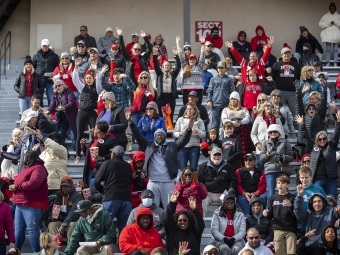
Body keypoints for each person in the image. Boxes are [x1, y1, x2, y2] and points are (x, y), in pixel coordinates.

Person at [9, 150, 49, 253]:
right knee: (18, 229)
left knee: (32, 229)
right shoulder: (27, 169)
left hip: (32, 203)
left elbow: (34, 183)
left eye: (25, 157)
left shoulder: (39, 168)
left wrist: (16, 187)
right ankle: (16, 252)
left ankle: (37, 253)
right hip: (20, 203)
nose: (23, 159)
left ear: (29, 158)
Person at [297, 112, 340, 199]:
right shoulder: (313, 147)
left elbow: (335, 135)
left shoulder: (331, 146)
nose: (322, 140)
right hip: (318, 178)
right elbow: (306, 136)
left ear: (327, 139)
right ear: (317, 140)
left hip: (330, 179)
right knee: (318, 199)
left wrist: (338, 122)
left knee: (332, 201)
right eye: (320, 139)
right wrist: (302, 124)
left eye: (324, 138)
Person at [94, 145, 131, 233]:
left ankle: (107, 246)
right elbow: (130, 181)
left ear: (113, 153)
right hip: (126, 199)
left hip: (111, 197)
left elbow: (97, 181)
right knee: (124, 229)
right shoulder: (128, 166)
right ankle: (122, 246)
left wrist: (103, 192)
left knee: (105, 226)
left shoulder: (107, 163)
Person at [72, 57, 102, 163]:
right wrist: (76, 67)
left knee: (94, 133)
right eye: (87, 78)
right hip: (82, 112)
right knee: (79, 133)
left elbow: (99, 82)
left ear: (93, 79)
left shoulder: (97, 88)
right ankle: (78, 155)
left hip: (92, 112)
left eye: (90, 78)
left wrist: (96, 71)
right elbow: (75, 79)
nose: (88, 79)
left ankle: (93, 155)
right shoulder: (82, 87)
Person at [263, 175, 297, 255]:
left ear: (288, 185)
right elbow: (270, 216)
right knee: (279, 253)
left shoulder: (292, 197)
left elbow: (296, 215)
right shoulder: (273, 198)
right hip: (278, 229)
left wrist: (291, 206)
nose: (280, 185)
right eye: (278, 183)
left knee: (291, 253)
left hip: (290, 230)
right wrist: (266, 214)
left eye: (283, 183)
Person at [198, 147, 237, 215]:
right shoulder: (203, 166)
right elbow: (199, 180)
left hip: (223, 194)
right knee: (200, 201)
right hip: (208, 194)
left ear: (222, 156)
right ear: (211, 155)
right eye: (215, 154)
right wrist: (203, 190)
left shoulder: (228, 166)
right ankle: (200, 222)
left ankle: (228, 223)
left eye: (219, 154)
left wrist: (231, 189)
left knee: (231, 201)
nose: (217, 156)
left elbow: (233, 180)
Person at [260, 124, 293, 202]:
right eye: (271, 132)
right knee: (271, 193)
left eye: (275, 131)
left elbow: (291, 157)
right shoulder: (266, 143)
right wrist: (267, 155)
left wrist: (283, 157)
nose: (273, 133)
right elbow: (261, 158)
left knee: (284, 192)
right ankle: (270, 212)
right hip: (270, 171)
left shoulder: (285, 142)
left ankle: (286, 209)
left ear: (279, 132)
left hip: (282, 170)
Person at [81, 121, 117, 187]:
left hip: (100, 170)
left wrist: (102, 158)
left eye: (95, 128)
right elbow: (88, 155)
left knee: (98, 191)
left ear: (98, 130)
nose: (93, 130)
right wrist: (83, 147)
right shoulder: (94, 140)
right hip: (90, 170)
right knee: (91, 191)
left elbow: (115, 154)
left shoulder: (110, 140)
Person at [48, 176, 82, 243]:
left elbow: (73, 213)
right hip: (61, 221)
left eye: (67, 187)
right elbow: (55, 209)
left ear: (71, 187)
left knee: (72, 225)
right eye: (63, 187)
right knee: (52, 225)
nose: (65, 189)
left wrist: (64, 225)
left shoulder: (77, 196)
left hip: (73, 221)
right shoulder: (58, 196)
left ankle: (70, 249)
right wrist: (53, 217)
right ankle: (56, 249)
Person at [251, 102, 284, 170]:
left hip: (275, 150)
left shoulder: (277, 119)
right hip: (261, 149)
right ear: (263, 107)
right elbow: (253, 133)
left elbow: (282, 134)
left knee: (273, 171)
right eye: (267, 106)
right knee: (261, 170)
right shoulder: (258, 118)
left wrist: (279, 146)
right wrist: (257, 143)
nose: (269, 107)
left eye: (271, 106)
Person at [173, 102, 206, 171]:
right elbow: (174, 134)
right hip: (182, 148)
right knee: (182, 169)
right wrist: (180, 133)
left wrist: (196, 131)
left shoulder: (199, 120)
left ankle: (194, 181)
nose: (188, 111)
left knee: (193, 169)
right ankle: (182, 182)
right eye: (187, 109)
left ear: (195, 110)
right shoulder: (180, 119)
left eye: (191, 109)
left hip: (194, 147)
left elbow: (203, 134)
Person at [47, 79, 78, 147]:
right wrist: (47, 111)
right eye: (56, 86)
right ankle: (63, 154)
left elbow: (72, 103)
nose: (57, 87)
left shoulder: (69, 92)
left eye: (59, 85)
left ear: (63, 85)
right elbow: (52, 106)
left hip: (71, 118)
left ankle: (77, 155)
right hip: (62, 119)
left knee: (73, 138)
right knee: (60, 136)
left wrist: (64, 107)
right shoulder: (55, 95)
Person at [272, 44, 301, 116]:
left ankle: (296, 126)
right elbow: (273, 77)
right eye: (285, 53)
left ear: (291, 55)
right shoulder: (276, 65)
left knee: (294, 111)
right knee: (281, 111)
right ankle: (281, 126)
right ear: (281, 55)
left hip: (292, 91)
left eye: (288, 53)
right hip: (280, 92)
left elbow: (299, 76)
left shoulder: (295, 64)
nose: (287, 55)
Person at [154, 47, 181, 123]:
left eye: (168, 65)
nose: (166, 67)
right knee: (160, 115)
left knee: (170, 115)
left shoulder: (173, 75)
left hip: (170, 97)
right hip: (161, 97)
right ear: (162, 67)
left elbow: (178, 66)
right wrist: (155, 55)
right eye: (165, 65)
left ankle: (170, 132)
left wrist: (176, 55)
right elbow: (156, 65)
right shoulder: (159, 74)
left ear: (170, 67)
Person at [221, 92, 252, 156]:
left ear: (238, 100)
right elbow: (224, 119)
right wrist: (233, 123)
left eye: (234, 99)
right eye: (231, 99)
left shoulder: (244, 109)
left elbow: (248, 119)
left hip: (242, 132)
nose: (232, 101)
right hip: (230, 131)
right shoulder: (225, 109)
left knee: (242, 150)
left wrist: (241, 122)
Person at [177, 35, 205, 105]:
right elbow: (180, 55)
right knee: (187, 109)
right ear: (188, 60)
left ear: (196, 60)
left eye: (193, 59)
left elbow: (202, 55)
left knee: (198, 109)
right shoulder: (184, 66)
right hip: (186, 92)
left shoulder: (199, 66)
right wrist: (178, 43)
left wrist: (203, 45)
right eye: (190, 59)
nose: (192, 60)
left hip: (198, 91)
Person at [207, 61, 235, 130]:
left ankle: (225, 140)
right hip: (215, 104)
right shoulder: (213, 79)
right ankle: (215, 140)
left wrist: (231, 102)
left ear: (225, 68)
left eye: (222, 68)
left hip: (226, 105)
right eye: (219, 68)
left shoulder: (229, 79)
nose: (220, 69)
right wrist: (209, 100)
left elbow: (232, 92)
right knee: (215, 125)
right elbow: (210, 91)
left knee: (226, 124)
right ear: (217, 69)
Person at [33, 39, 59, 107]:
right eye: (43, 46)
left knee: (50, 98)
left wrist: (54, 75)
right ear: (41, 46)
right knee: (39, 98)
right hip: (39, 80)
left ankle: (50, 114)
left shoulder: (54, 56)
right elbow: (33, 67)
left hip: (50, 80)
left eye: (46, 46)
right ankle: (40, 114)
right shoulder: (36, 56)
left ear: (49, 46)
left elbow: (57, 67)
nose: (45, 47)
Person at [319, 2, 340, 66]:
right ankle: (328, 62)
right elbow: (320, 24)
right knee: (328, 49)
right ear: (329, 9)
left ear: (335, 9)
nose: (332, 10)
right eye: (331, 8)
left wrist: (335, 22)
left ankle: (335, 62)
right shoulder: (325, 16)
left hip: (336, 35)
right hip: (328, 35)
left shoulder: (338, 16)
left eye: (333, 8)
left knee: (335, 49)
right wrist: (329, 23)